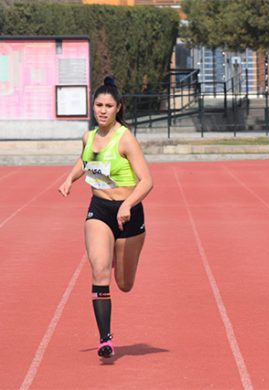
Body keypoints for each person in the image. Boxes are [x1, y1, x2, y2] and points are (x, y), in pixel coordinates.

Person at [58, 76, 153, 357]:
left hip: (128, 214)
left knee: (124, 284)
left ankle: (116, 251)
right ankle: (105, 339)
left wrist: (127, 205)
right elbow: (85, 160)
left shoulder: (126, 140)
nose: (102, 110)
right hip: (99, 210)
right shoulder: (88, 136)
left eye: (108, 106)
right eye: (98, 104)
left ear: (118, 108)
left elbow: (147, 181)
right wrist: (70, 179)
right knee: (99, 271)